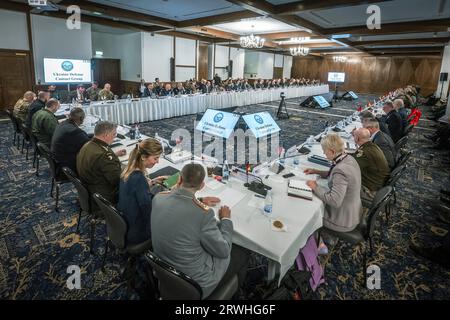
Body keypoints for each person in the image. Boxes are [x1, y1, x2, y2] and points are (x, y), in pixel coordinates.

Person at [151, 163, 249, 299]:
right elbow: (223, 251)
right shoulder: (203, 214)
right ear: (202, 185)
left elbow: (177, 206)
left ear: (179, 179)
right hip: (195, 283)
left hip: (164, 269)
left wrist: (200, 200)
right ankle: (238, 294)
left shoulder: (158, 197)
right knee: (242, 252)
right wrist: (226, 220)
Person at [304, 133, 362, 233]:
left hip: (342, 220)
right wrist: (316, 171)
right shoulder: (348, 158)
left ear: (332, 151)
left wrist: (315, 187)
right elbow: (334, 173)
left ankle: (318, 243)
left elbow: (335, 201)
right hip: (353, 212)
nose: (324, 154)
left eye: (325, 152)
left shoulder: (341, 170)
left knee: (307, 212)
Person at [118, 138, 166, 245]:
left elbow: (134, 189)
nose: (157, 162)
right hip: (138, 232)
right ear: (144, 157)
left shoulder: (128, 169)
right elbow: (148, 211)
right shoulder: (139, 178)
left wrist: (152, 182)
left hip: (127, 223)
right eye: (155, 158)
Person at [77, 121, 126, 211]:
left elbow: (97, 162)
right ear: (106, 135)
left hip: (91, 189)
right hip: (104, 195)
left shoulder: (88, 145)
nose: (115, 137)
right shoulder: (103, 155)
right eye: (114, 134)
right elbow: (117, 180)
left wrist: (114, 155)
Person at [352, 128, 390, 203]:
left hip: (371, 188)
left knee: (340, 180)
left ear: (357, 138)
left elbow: (351, 168)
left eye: (354, 136)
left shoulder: (364, 152)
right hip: (379, 181)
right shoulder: (372, 146)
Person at [51, 107, 90, 175]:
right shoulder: (74, 131)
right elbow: (90, 146)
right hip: (68, 166)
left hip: (58, 161)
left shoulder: (62, 124)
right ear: (81, 118)